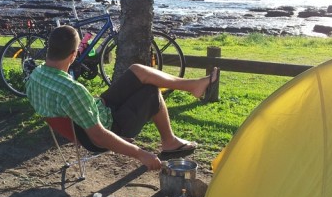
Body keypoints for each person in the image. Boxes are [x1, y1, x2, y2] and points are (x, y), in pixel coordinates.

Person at [26, 25, 219, 171]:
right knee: (151, 92)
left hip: (89, 115)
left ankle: (191, 85)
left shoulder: (36, 74)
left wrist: (92, 104)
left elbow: (66, 106)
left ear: (50, 48)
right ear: (74, 54)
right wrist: (141, 154)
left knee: (137, 70)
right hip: (106, 130)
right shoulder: (72, 90)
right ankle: (169, 141)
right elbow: (99, 137)